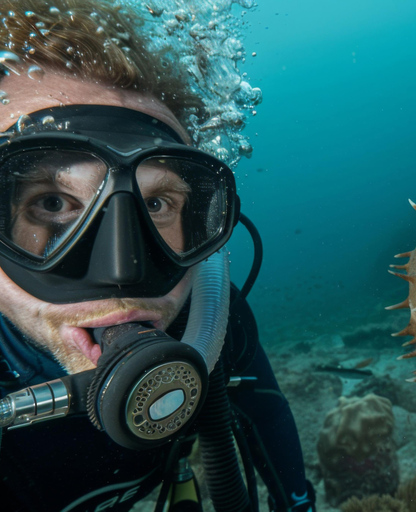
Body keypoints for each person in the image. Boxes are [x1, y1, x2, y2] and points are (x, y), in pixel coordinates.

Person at [0, 1, 316, 511]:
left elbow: (270, 425)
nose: (123, 273)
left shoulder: (214, 317)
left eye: (157, 203)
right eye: (52, 203)